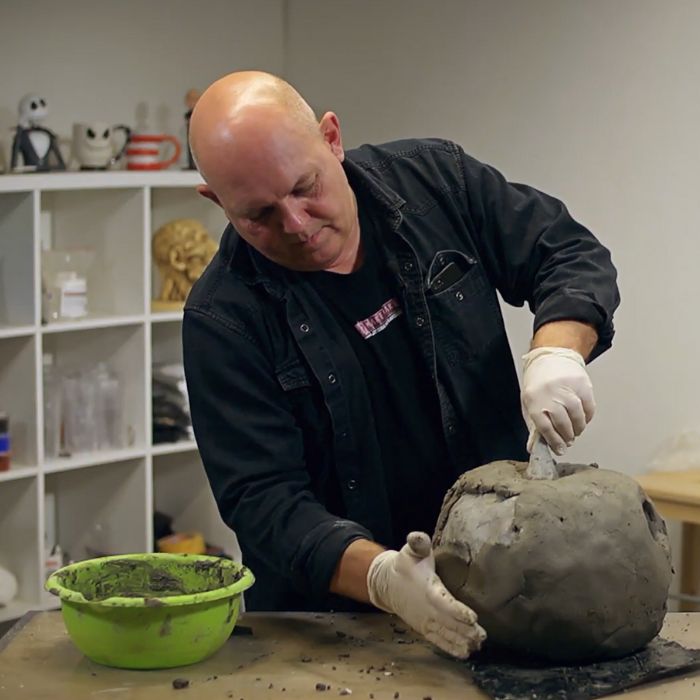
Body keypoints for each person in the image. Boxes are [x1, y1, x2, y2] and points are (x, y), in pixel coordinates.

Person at [183, 71, 620, 659]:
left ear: (331, 138)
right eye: (258, 215)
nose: (297, 225)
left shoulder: (435, 183)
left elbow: (565, 252)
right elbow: (263, 502)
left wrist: (559, 349)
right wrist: (384, 578)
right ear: (216, 201)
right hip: (330, 627)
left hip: (501, 585)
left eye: (305, 187)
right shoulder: (224, 318)